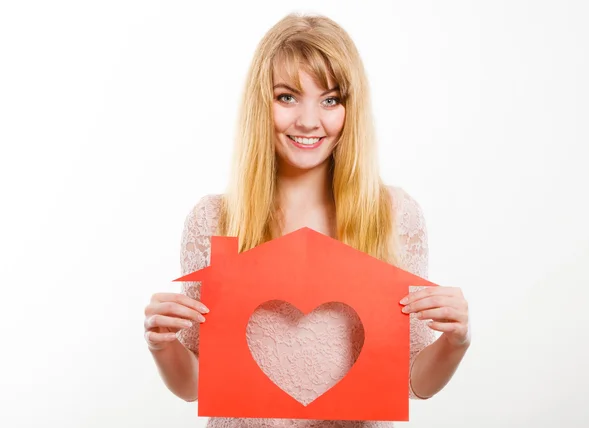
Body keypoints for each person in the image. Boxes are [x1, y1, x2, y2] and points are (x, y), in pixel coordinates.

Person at [144, 12, 470, 428]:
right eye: (287, 96)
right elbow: (196, 384)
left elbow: (410, 382)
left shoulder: (390, 215)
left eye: (330, 99)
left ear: (350, 109)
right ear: (261, 103)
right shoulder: (215, 219)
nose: (309, 121)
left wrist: (456, 341)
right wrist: (162, 344)